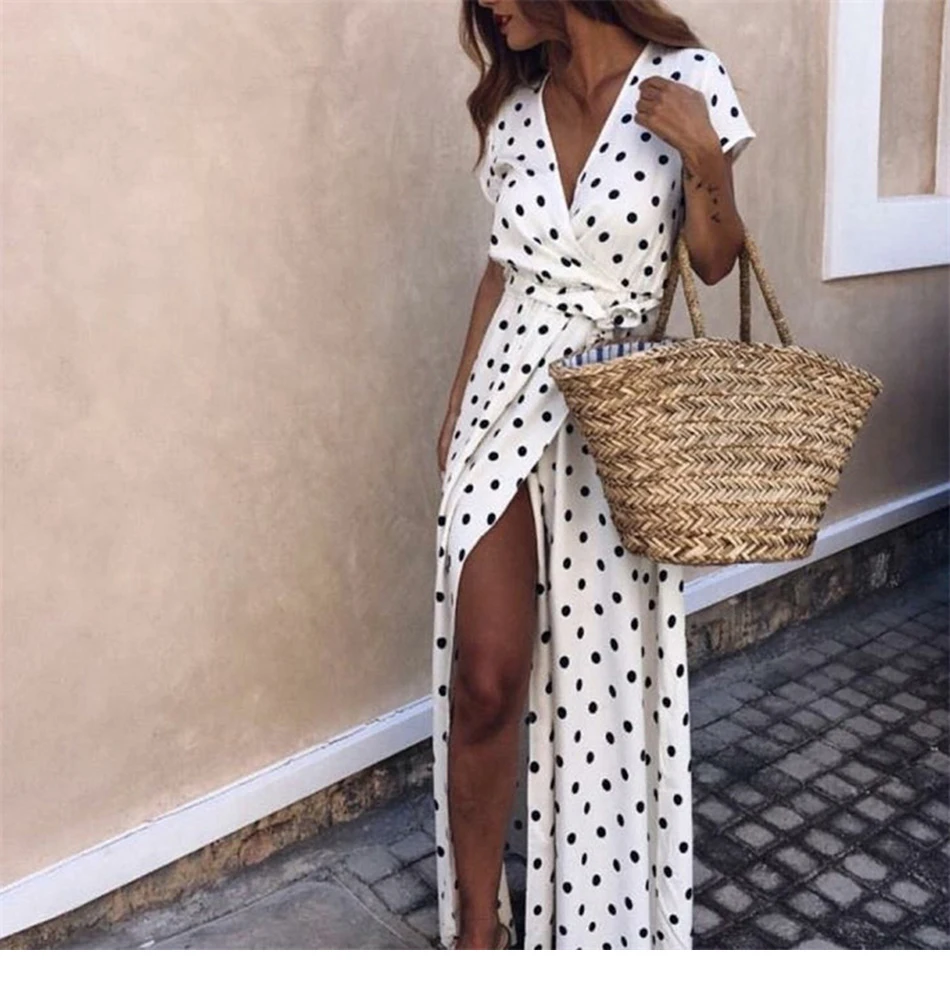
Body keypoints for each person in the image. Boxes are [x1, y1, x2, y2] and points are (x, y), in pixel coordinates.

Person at [431, 0, 757, 950]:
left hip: (613, 426)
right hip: (502, 401)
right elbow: (500, 272)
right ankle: (479, 931)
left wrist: (703, 156)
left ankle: (594, 923)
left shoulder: (689, 82)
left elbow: (715, 261)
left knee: (597, 689)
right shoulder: (516, 113)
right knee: (486, 676)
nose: (489, 9)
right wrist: (455, 407)